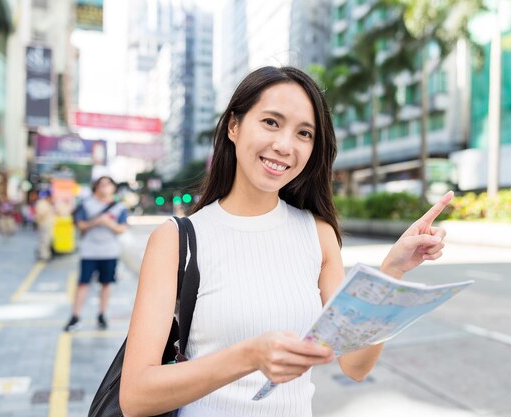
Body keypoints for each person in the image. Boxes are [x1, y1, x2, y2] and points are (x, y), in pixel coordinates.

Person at [120, 66, 451, 417]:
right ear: (234, 126)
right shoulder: (175, 240)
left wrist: (392, 271)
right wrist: (249, 356)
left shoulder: (318, 234)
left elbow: (355, 365)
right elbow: (136, 396)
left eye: (304, 133)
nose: (284, 146)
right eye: (271, 122)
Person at [64, 176, 128, 331]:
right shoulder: (86, 205)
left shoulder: (119, 207)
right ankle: (75, 316)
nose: (105, 187)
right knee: (83, 284)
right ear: (96, 187)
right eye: (102, 184)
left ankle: (102, 315)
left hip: (110, 252)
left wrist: (108, 223)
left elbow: (122, 229)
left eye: (108, 184)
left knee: (106, 284)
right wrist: (96, 222)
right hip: (89, 251)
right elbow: (80, 225)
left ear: (113, 188)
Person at [34, 189, 56, 261]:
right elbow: (40, 214)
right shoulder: (42, 203)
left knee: (47, 240)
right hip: (44, 224)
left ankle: (45, 253)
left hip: (49, 225)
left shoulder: (48, 203)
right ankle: (43, 255)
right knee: (44, 240)